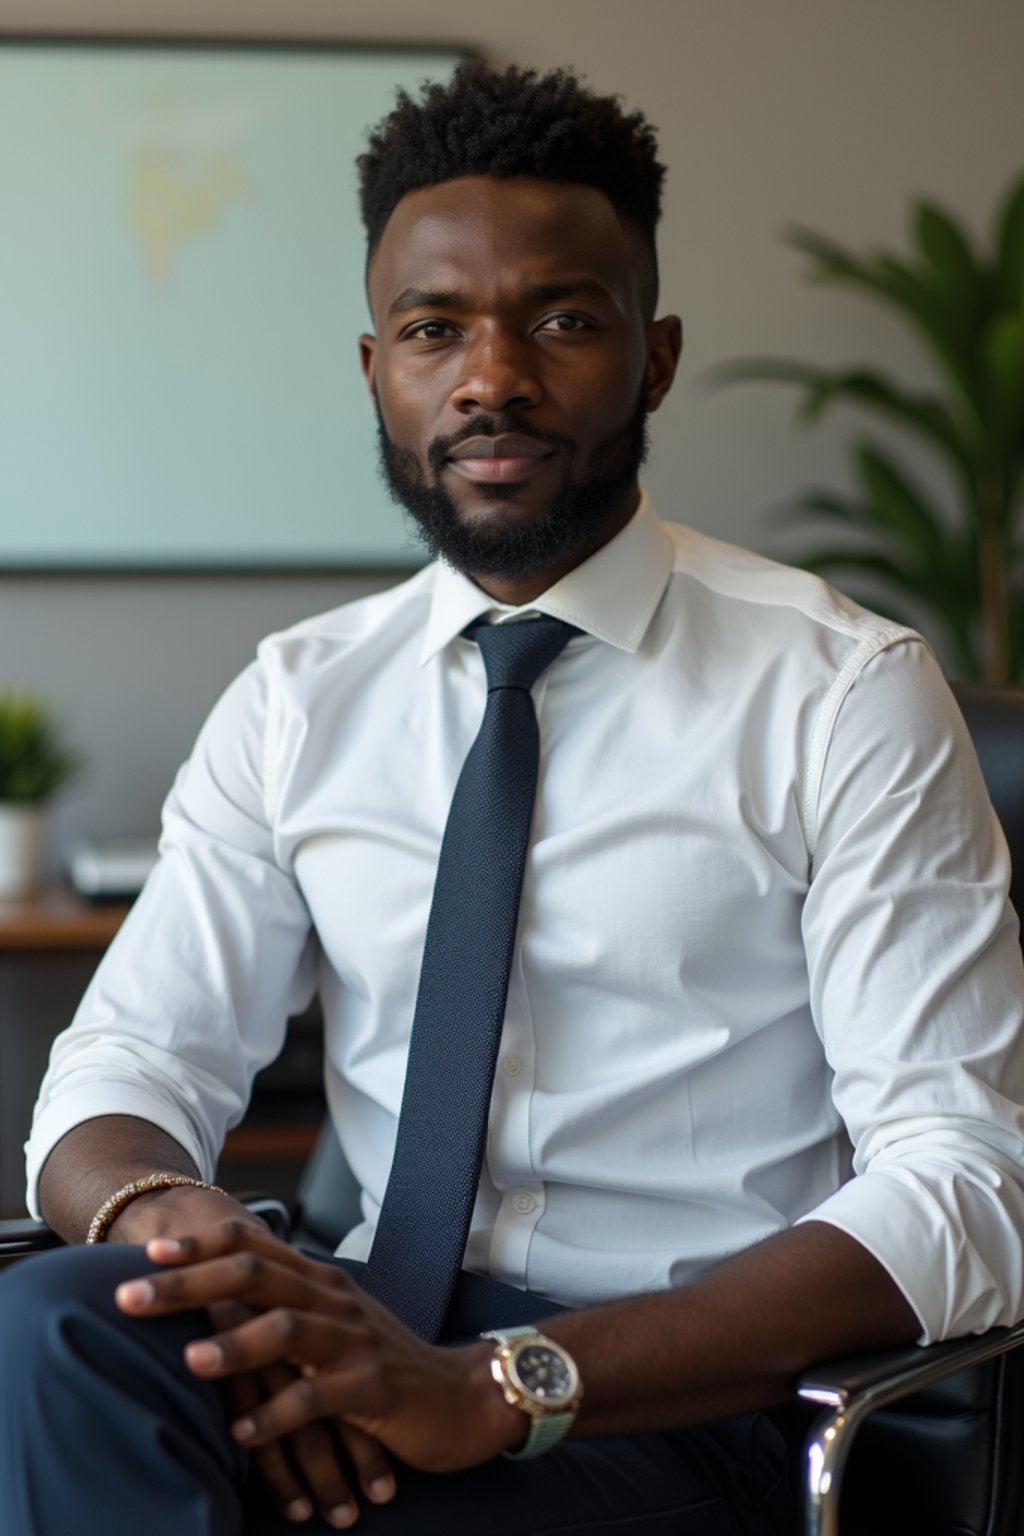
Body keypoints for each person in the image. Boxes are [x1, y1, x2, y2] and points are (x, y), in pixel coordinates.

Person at [2, 61, 1023, 1536]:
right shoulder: (301, 699)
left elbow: (967, 1185)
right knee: (56, 1326)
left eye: (561, 320)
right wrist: (189, 1236)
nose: (493, 377)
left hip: (671, 1404)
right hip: (363, 1324)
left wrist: (497, 1387)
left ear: (654, 356)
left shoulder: (841, 694)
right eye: (436, 330)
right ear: (377, 372)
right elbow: (122, 1069)